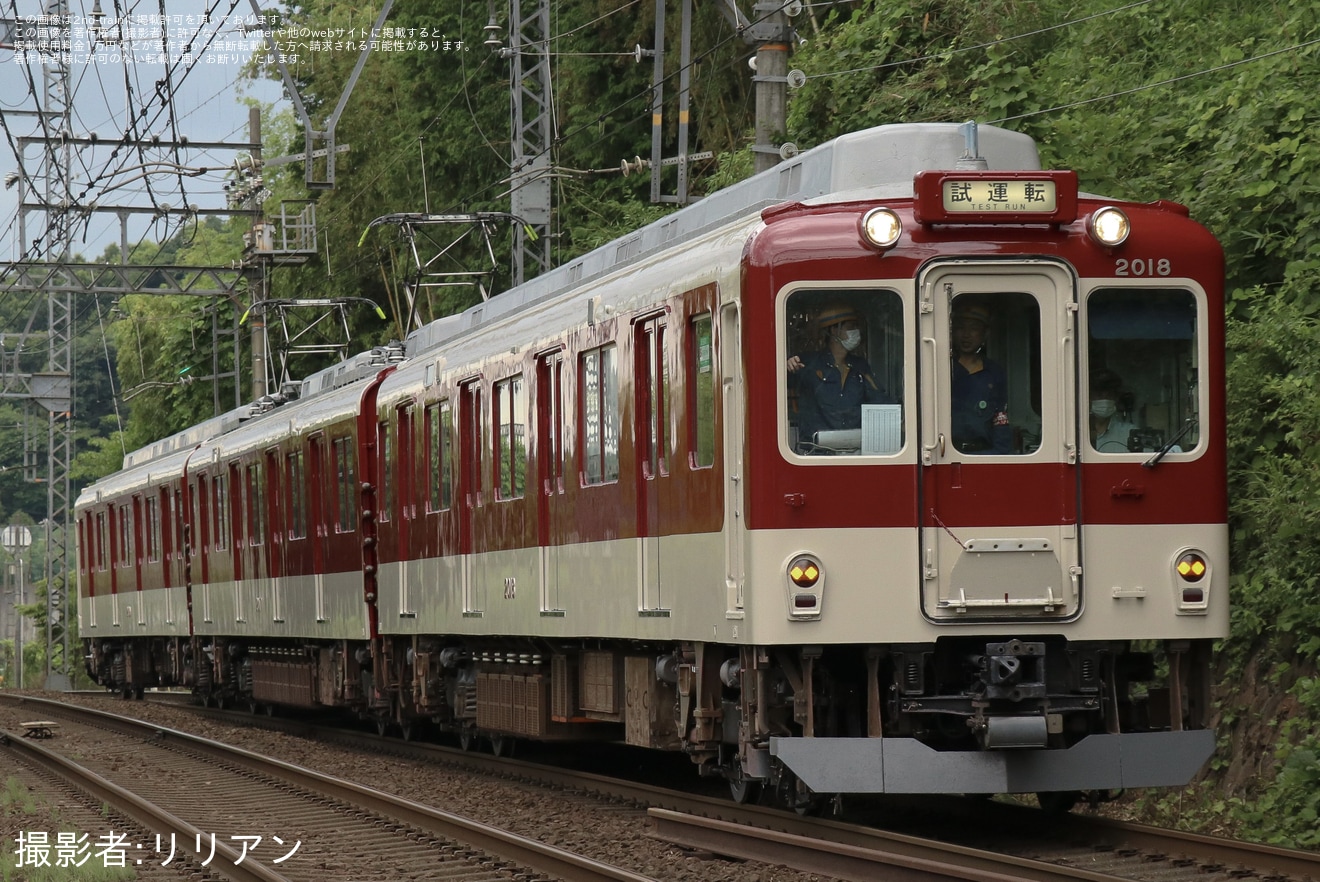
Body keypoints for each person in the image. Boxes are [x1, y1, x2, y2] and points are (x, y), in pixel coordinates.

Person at [786, 300, 893, 452]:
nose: (856, 332)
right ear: (834, 330)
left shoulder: (860, 366)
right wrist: (788, 367)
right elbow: (781, 384)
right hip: (816, 453)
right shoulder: (808, 364)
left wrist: (898, 420)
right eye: (850, 328)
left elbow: (879, 399)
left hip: (856, 450)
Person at [949, 301, 1011, 454]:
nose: (966, 335)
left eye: (974, 329)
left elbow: (1000, 416)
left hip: (983, 453)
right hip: (946, 452)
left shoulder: (994, 372)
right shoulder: (941, 367)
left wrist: (1000, 452)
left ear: (985, 334)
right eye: (961, 328)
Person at [1090, 368, 1139, 452]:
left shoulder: (1129, 433)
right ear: (1089, 397)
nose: (1104, 400)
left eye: (1109, 395)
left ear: (1116, 399)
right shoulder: (1074, 434)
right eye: (1099, 395)